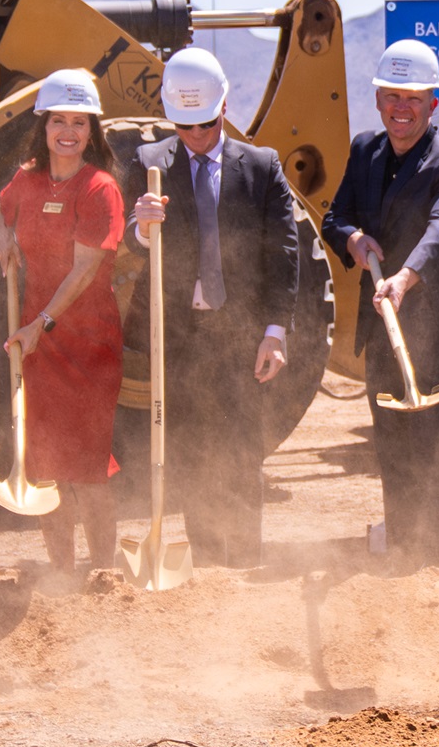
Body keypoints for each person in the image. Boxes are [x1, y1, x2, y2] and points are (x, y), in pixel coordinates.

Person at [126, 44, 316, 570]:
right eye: (185, 126)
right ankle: (205, 570)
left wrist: (276, 331)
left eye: (206, 124)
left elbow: (283, 255)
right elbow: (128, 243)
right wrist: (142, 228)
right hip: (179, 341)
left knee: (240, 458)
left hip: (241, 339)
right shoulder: (148, 165)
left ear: (225, 106)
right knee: (189, 457)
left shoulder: (261, 168)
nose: (196, 137)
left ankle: (246, 563)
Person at [324, 39, 439, 563]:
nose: (401, 107)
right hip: (383, 328)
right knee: (393, 447)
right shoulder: (364, 150)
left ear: (433, 104)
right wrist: (352, 238)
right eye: (392, 95)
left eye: (413, 98)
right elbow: (336, 217)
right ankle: (402, 553)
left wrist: (405, 276)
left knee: (437, 448)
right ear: (377, 100)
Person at [0, 69, 128, 573]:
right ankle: (62, 573)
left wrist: (40, 323)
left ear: (92, 130)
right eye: (58, 121)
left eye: (78, 121)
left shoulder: (100, 188)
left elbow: (85, 267)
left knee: (88, 469)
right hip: (37, 347)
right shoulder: (27, 180)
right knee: (45, 466)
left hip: (88, 346)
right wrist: (1, 235)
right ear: (43, 126)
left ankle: (103, 572)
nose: (67, 131)